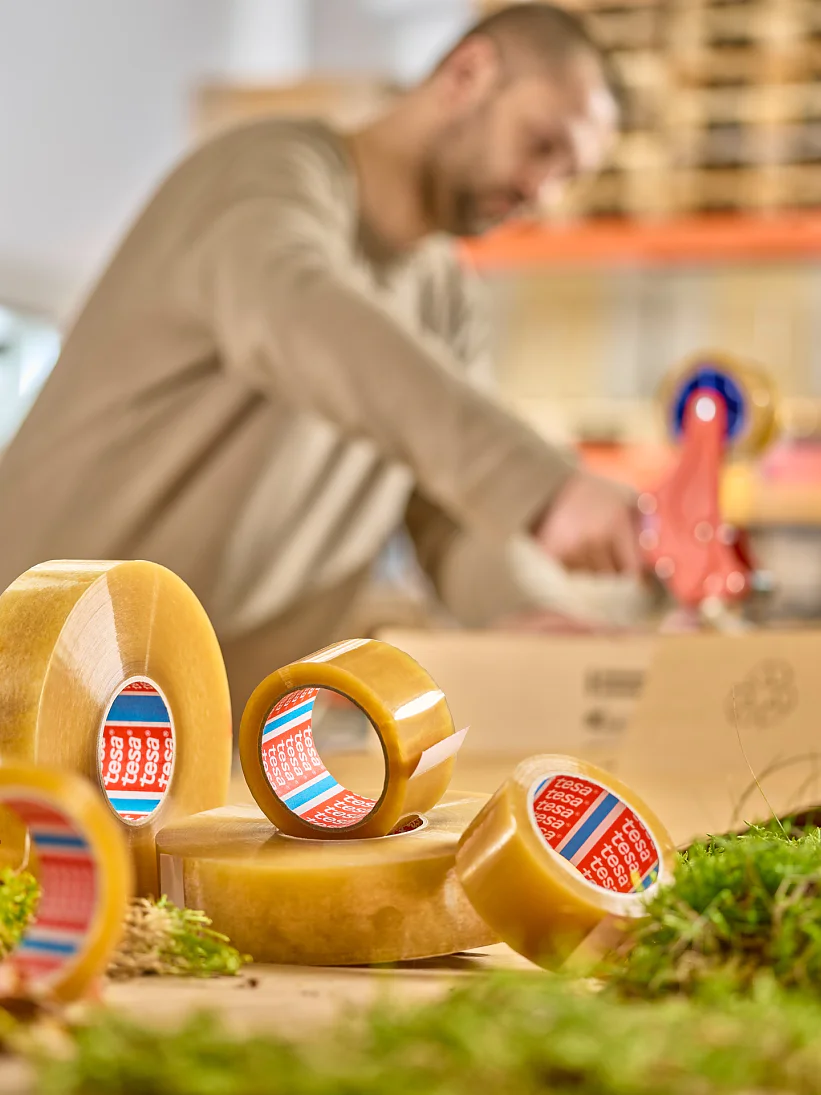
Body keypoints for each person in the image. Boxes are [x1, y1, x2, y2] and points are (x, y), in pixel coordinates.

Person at [0, 2, 641, 712]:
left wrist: (525, 612)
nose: (540, 190)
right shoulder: (267, 171)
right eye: (541, 143)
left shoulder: (447, 300)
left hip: (192, 739)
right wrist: (541, 484)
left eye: (567, 174)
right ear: (468, 72)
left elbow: (449, 507)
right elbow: (299, 313)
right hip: (30, 681)